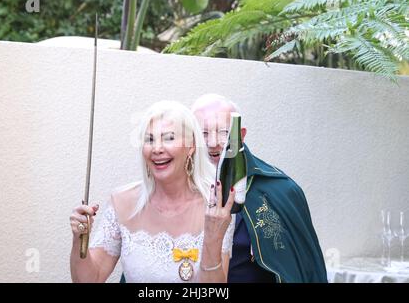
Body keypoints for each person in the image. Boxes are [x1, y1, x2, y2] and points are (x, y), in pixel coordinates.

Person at [70, 101, 235, 282]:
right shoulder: (122, 202)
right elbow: (89, 280)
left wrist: (212, 237)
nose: (157, 149)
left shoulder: (214, 207)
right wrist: (79, 238)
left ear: (192, 146)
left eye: (169, 138)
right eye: (149, 140)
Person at [191, 94, 328, 283]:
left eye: (224, 132)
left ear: (241, 135)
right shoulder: (172, 188)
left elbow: (306, 268)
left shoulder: (280, 190)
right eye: (203, 134)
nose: (212, 143)